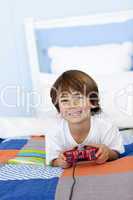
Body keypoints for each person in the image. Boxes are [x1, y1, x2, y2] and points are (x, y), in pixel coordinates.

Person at [46, 70, 125, 168]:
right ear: (58, 107)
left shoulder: (106, 126)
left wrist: (107, 153)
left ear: (93, 102)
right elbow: (52, 160)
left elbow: (116, 152)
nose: (72, 105)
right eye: (65, 100)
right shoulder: (54, 131)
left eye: (78, 98)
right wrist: (60, 162)